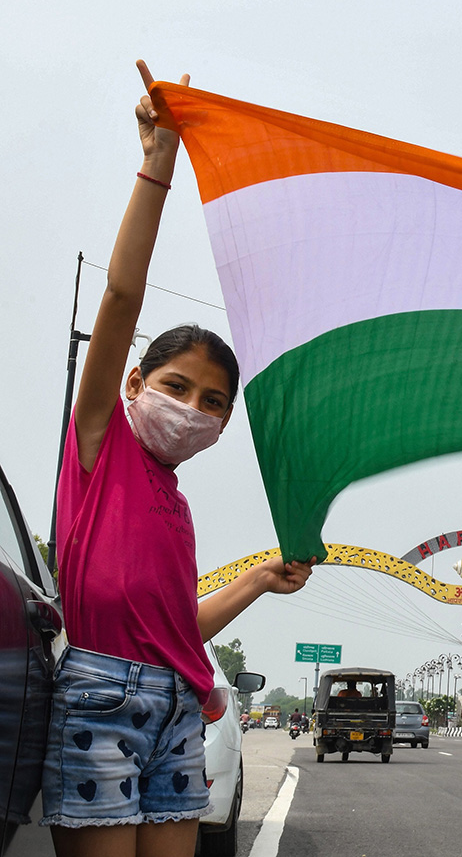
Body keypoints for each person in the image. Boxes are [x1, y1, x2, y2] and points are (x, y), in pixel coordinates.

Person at [39, 61, 316, 857]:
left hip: (177, 700)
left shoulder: (175, 504)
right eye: (175, 386)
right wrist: (158, 162)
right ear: (132, 381)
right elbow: (121, 301)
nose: (192, 409)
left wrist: (260, 580)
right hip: (101, 698)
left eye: (214, 402)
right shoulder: (100, 446)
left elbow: (176, 632)